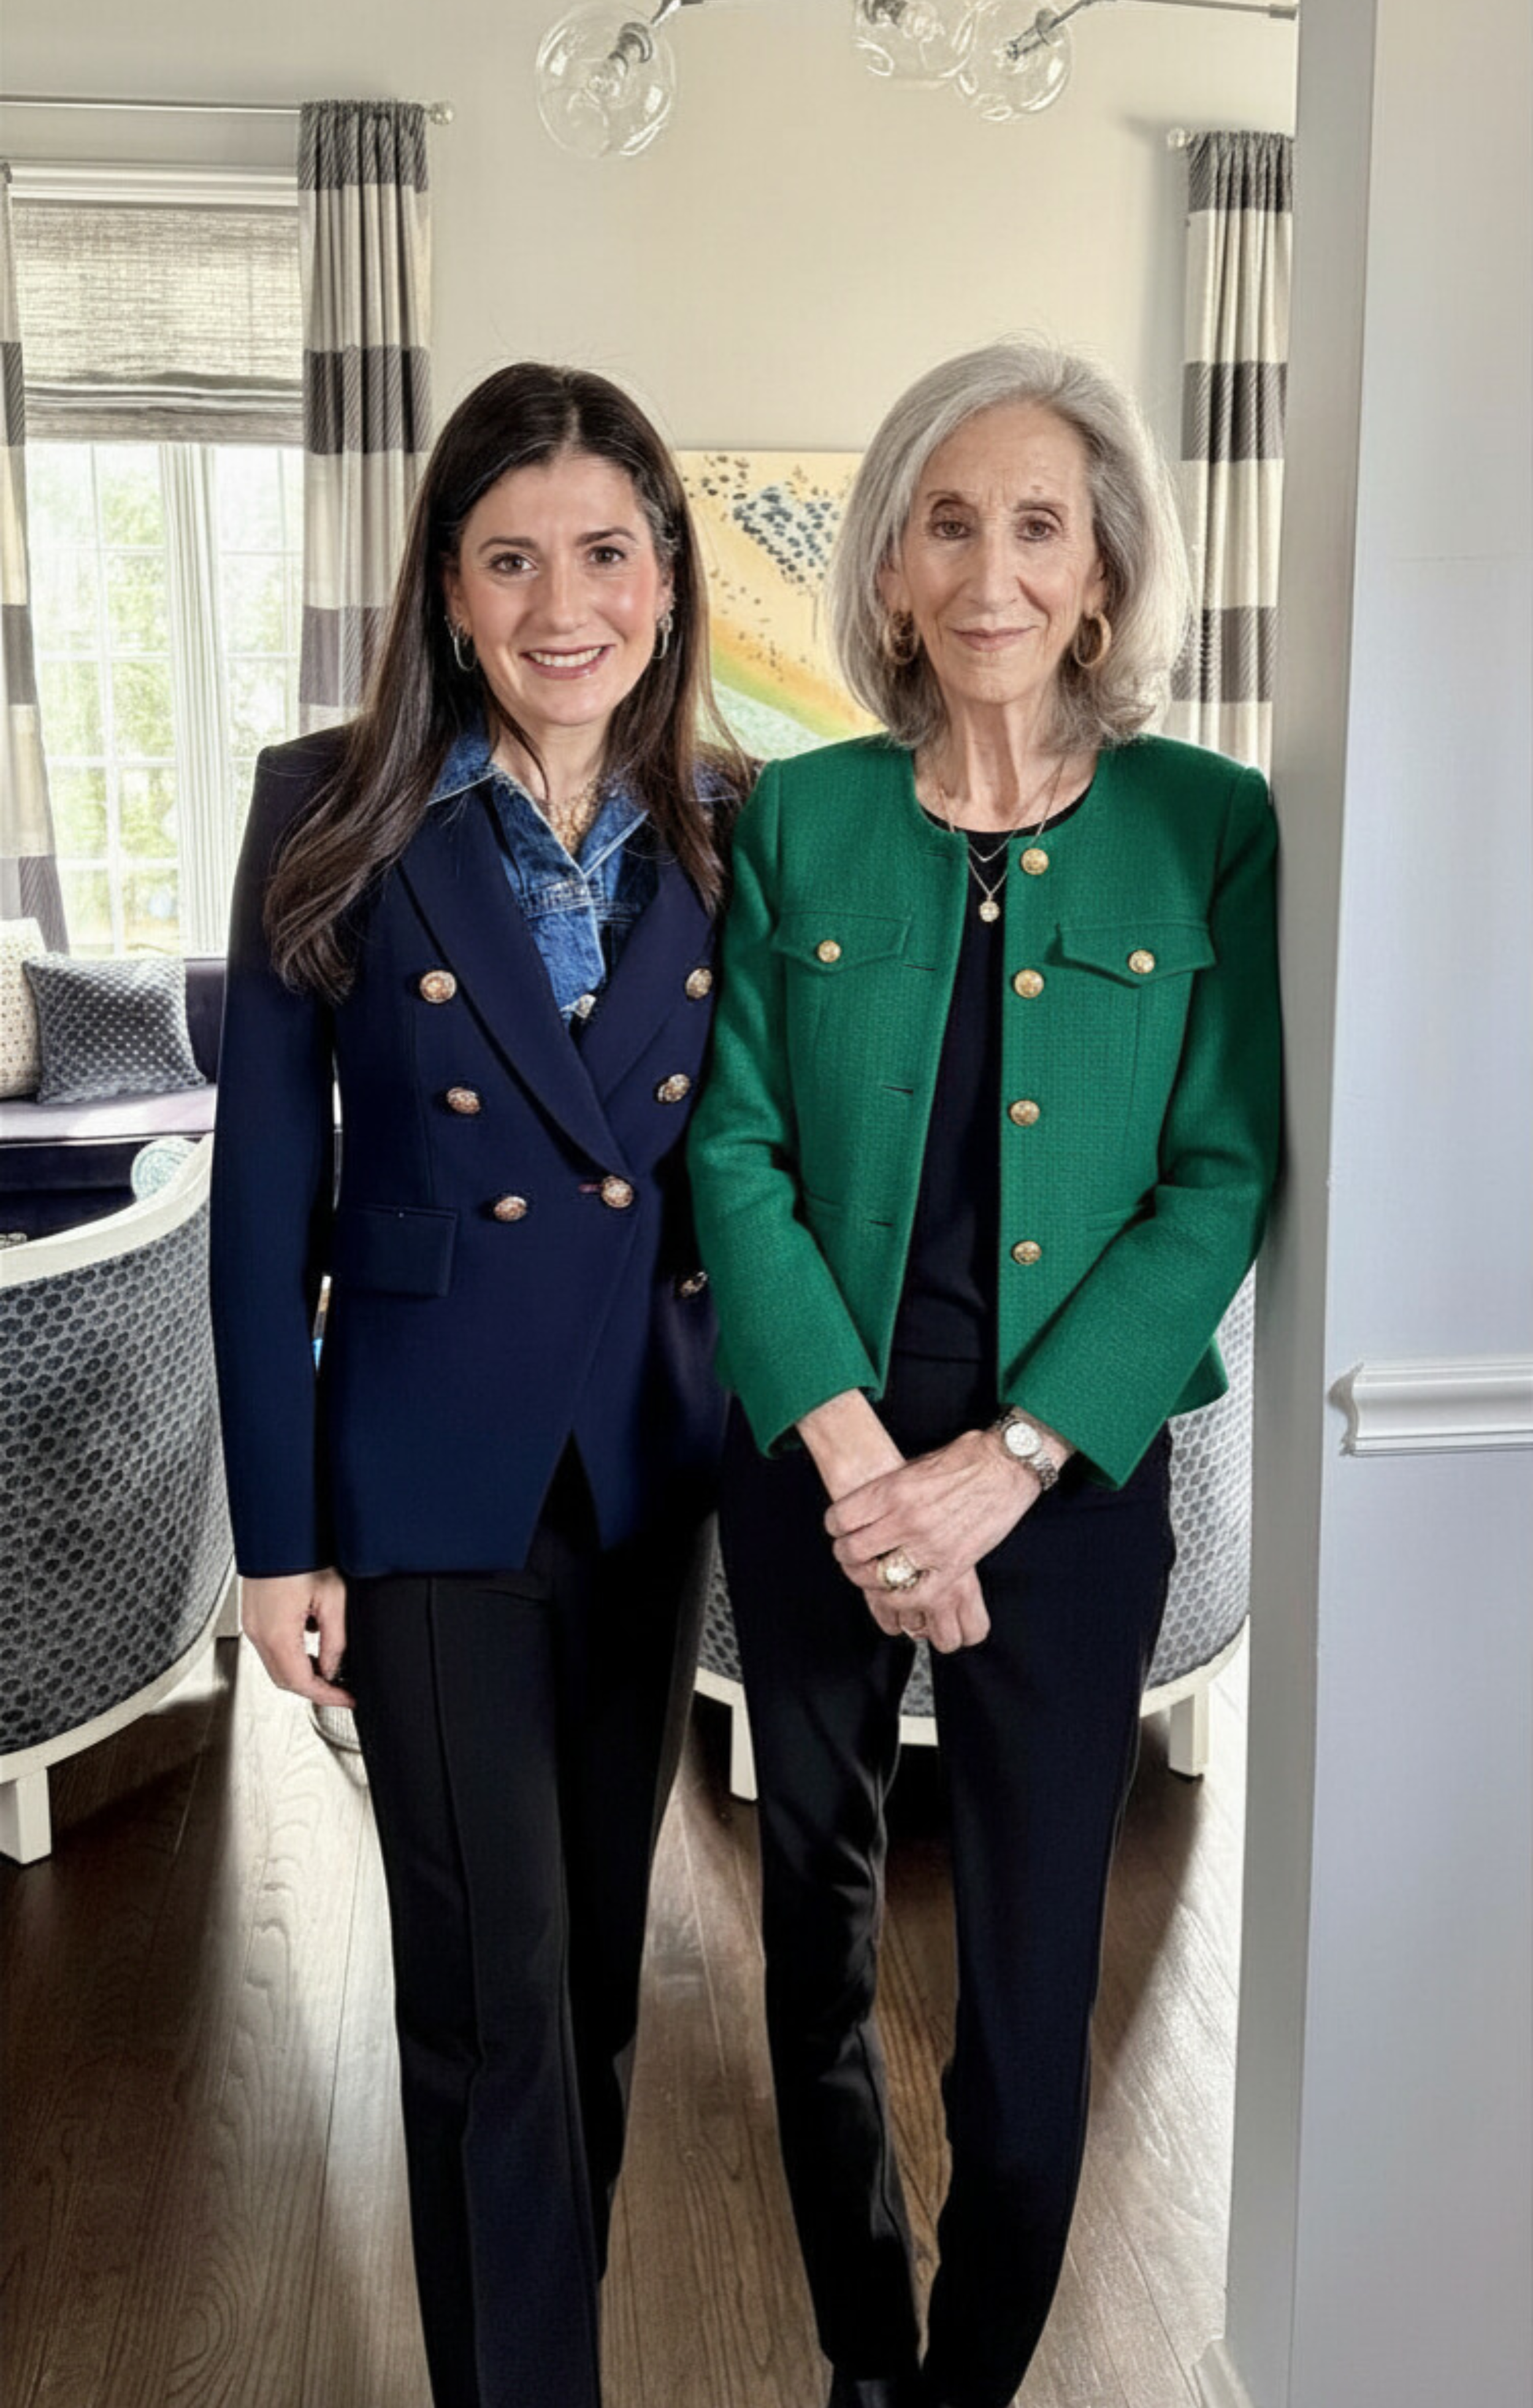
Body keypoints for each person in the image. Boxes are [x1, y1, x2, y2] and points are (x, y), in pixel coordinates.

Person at [688, 339, 1282, 2408]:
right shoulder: (804, 817)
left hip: (1070, 1478)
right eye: (949, 519)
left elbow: (1216, 1181)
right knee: (816, 1940)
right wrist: (868, 1472)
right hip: (818, 1456)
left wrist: (998, 1473)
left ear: (1104, 571)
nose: (991, 567)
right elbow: (734, 1149)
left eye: (1038, 523)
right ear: (892, 562)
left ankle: (965, 2382)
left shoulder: (1212, 824)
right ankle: (862, 2350)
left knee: (1035, 2001)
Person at [210, 361, 748, 2408]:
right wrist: (277, 1543)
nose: (560, 604)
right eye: (509, 557)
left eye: (604, 552)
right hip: (423, 1476)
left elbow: (760, 1172)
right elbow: (269, 1198)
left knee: (590, 1988)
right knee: (493, 1990)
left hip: (644, 1463)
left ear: (665, 576)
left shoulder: (735, 827)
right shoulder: (325, 800)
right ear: (445, 587)